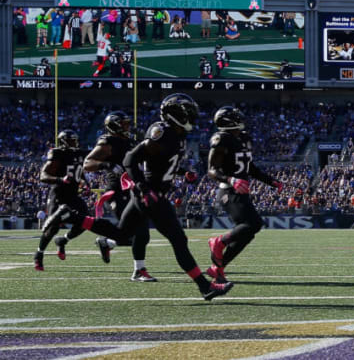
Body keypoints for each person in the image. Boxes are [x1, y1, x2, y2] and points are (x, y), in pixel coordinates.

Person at [48, 94, 233, 300]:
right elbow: (130, 159)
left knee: (121, 234)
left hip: (146, 195)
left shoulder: (177, 134)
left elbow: (161, 162)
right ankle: (204, 287)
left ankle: (71, 216)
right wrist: (144, 188)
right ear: (176, 115)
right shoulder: (161, 132)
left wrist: (182, 173)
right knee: (178, 240)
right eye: (188, 112)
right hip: (150, 196)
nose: (192, 116)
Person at [206, 106, 283, 284]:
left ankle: (218, 268)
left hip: (241, 191)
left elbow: (251, 168)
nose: (241, 119)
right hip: (228, 190)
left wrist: (271, 181)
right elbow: (211, 170)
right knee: (253, 223)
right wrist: (231, 179)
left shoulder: (244, 138)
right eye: (236, 117)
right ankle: (218, 242)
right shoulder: (221, 139)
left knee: (249, 232)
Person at [82, 111, 155, 282]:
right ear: (114, 125)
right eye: (124, 124)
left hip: (133, 190)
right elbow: (88, 163)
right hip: (118, 191)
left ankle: (107, 243)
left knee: (135, 234)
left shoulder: (128, 141)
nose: (128, 127)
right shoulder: (108, 141)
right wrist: (107, 164)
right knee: (139, 232)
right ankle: (138, 270)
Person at [33, 130, 89, 271]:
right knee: (52, 228)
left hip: (73, 196)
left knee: (87, 221)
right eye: (71, 140)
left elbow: (79, 170)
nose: (75, 143)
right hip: (58, 196)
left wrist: (84, 182)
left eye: (75, 140)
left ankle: (63, 240)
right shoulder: (57, 153)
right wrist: (60, 179)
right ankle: (39, 255)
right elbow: (43, 175)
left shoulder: (79, 153)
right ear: (63, 141)